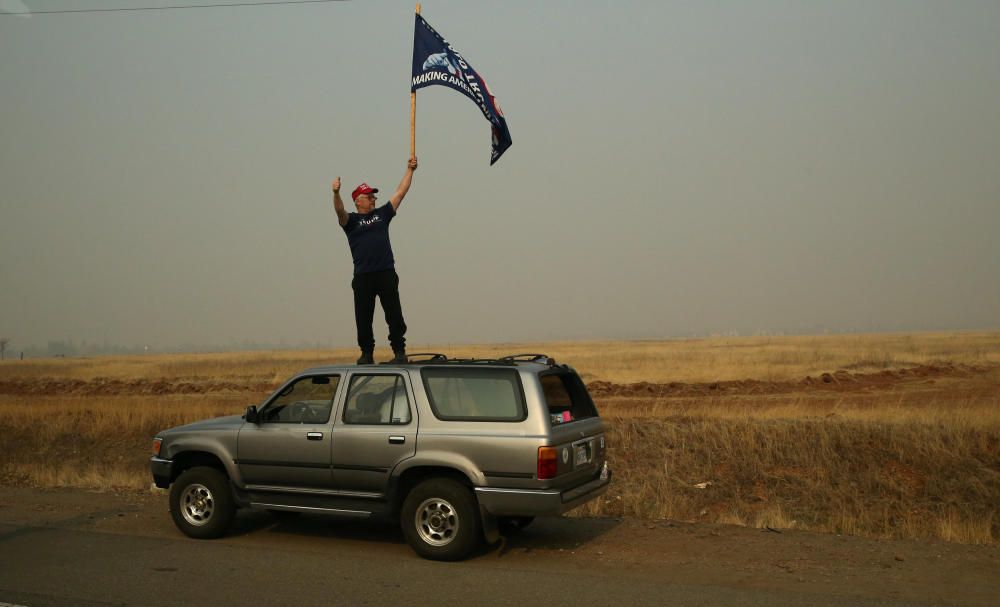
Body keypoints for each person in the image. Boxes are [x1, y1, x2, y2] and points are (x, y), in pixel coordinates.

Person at [332, 156, 418, 364]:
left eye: (373, 196)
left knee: (394, 315)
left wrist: (410, 170)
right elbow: (339, 211)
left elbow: (400, 192)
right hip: (363, 276)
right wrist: (336, 193)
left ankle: (399, 351)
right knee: (363, 318)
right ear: (357, 200)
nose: (372, 199)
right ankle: (367, 353)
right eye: (368, 196)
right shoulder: (351, 221)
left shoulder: (382, 214)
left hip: (385, 272)